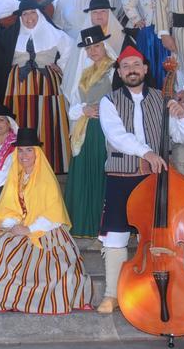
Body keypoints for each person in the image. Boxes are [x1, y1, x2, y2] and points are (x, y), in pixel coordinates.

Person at [95, 45, 184, 314]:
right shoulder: (109, 101)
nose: (131, 70)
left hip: (156, 179)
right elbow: (116, 135)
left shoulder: (163, 98)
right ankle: (112, 294)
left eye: (136, 65)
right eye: (125, 66)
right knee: (116, 235)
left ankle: (154, 293)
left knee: (159, 237)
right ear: (119, 72)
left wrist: (182, 116)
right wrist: (147, 152)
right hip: (122, 176)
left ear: (145, 69)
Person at [0, 128, 93, 314]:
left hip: (45, 230)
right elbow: (8, 205)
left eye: (29, 150)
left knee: (19, 252)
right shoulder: (16, 174)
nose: (24, 155)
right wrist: (12, 224)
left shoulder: (45, 178)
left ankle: (15, 294)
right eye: (21, 150)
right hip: (18, 224)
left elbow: (54, 214)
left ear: (37, 152)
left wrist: (29, 229)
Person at [0, 0, 75, 173]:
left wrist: (61, 66)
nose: (29, 17)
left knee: (48, 120)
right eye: (25, 14)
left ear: (39, 14)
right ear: (20, 17)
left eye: (32, 13)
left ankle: (51, 164)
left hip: (47, 84)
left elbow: (71, 52)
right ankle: (16, 166)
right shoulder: (9, 35)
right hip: (17, 85)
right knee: (20, 120)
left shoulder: (56, 34)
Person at [61, 26, 117, 238]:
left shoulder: (114, 70)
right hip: (86, 129)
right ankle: (84, 224)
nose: (93, 51)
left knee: (101, 173)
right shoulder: (85, 73)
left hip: (106, 129)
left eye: (97, 46)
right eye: (89, 48)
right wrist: (83, 109)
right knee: (86, 172)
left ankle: (102, 224)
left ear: (104, 46)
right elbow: (75, 104)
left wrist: (103, 110)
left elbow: (121, 100)